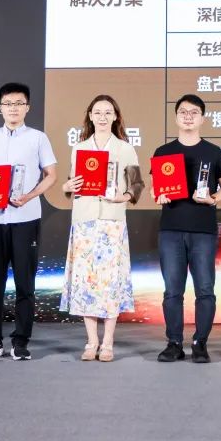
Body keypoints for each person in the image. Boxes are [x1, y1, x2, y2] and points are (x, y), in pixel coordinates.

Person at [0, 82, 58, 361]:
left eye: (19, 103)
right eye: (8, 104)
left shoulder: (38, 138)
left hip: (26, 218)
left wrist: (30, 196)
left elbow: (52, 175)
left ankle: (20, 341)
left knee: (24, 283)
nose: (13, 108)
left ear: (27, 107)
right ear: (0, 107)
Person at [60, 94, 143, 362]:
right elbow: (73, 184)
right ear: (90, 116)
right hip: (84, 221)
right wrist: (66, 187)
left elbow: (137, 184)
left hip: (111, 222)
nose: (103, 117)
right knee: (86, 283)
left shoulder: (125, 148)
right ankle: (91, 341)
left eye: (108, 112)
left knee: (109, 284)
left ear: (116, 116)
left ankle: (107, 342)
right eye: (98, 112)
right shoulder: (79, 148)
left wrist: (124, 197)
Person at [152, 94, 221, 364]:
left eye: (194, 112)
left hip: (203, 230)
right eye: (183, 112)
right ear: (176, 117)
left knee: (205, 289)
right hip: (171, 229)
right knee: (172, 291)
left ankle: (200, 343)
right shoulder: (163, 152)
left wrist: (213, 199)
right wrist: (159, 194)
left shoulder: (213, 152)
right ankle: (174, 343)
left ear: (202, 118)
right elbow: (155, 188)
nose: (188, 116)